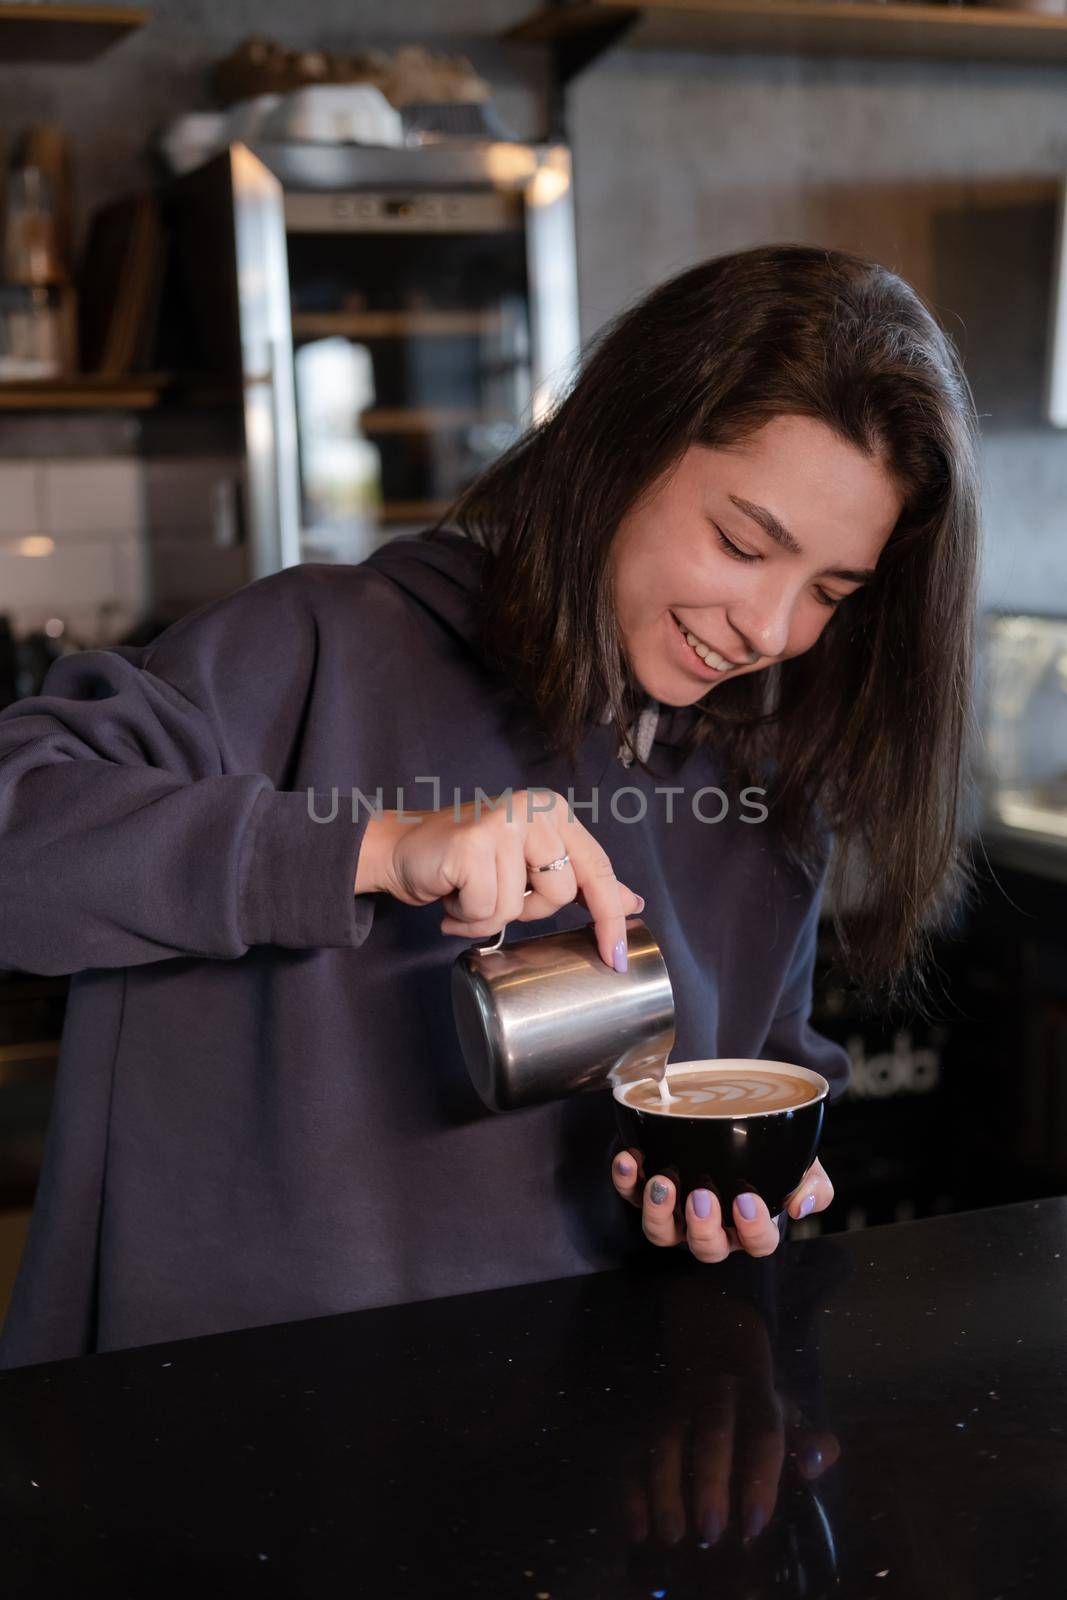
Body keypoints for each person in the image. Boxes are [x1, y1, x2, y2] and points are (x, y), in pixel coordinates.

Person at [0, 245, 980, 1369]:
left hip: (558, 1469)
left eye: (828, 592)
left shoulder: (760, 794)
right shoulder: (316, 648)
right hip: (221, 1431)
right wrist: (372, 846)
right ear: (618, 447)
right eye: (741, 542)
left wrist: (726, 1211)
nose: (766, 627)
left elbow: (755, 1094)